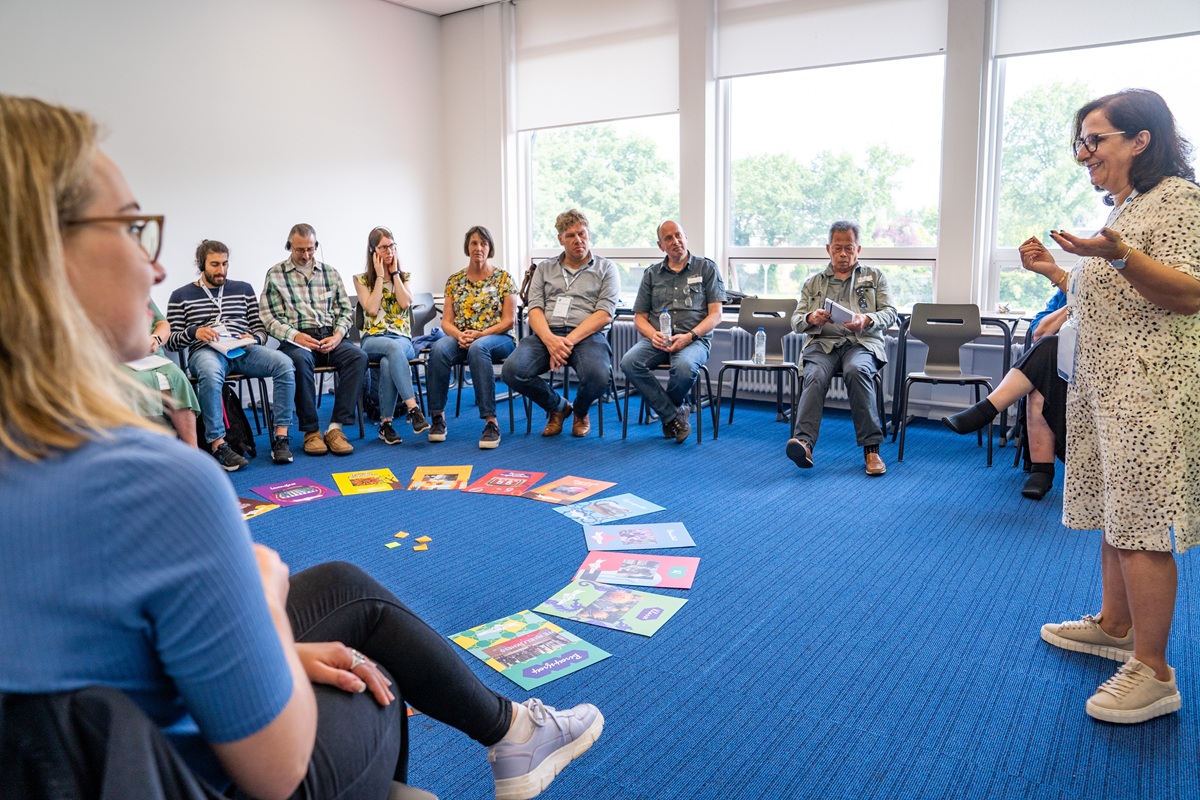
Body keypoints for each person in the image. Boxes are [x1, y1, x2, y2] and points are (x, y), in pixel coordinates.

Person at [0, 94, 603, 800]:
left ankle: (511, 736)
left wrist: (267, 647)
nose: (156, 269)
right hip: (183, 775)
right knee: (369, 674)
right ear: (43, 251)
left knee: (347, 587)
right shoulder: (157, 482)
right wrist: (260, 601)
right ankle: (442, 769)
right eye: (134, 229)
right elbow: (276, 766)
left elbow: (89, 665)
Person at [1018, 89, 1200, 724]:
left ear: (1140, 140)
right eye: (1081, 142)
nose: (1084, 154)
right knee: (1114, 513)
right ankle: (1117, 624)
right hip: (1103, 388)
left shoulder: (1178, 200)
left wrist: (1117, 252)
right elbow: (1110, 299)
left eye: (1095, 141)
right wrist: (1057, 275)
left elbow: (1190, 294)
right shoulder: (1131, 206)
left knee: (1142, 522)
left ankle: (1154, 670)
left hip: (1149, 392)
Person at [167, 239, 297, 471]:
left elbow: (260, 329)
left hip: (243, 349)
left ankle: (281, 436)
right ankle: (219, 444)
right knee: (209, 372)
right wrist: (195, 332)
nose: (222, 271)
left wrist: (253, 338)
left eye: (225, 264)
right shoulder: (181, 296)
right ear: (201, 264)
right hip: (207, 351)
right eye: (215, 265)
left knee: (284, 364)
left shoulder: (243, 289)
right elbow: (173, 341)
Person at [785, 221, 897, 476]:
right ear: (828, 249)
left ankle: (872, 450)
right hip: (823, 345)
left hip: (861, 343)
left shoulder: (875, 277)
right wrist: (811, 318)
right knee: (813, 376)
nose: (843, 254)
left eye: (849, 248)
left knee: (857, 371)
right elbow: (795, 320)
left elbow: (890, 313)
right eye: (838, 248)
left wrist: (866, 320)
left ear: (858, 249)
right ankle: (804, 444)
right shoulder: (812, 283)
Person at [501, 209, 620, 438]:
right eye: (571, 235)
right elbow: (534, 309)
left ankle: (580, 411)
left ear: (589, 234)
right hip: (548, 333)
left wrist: (564, 343)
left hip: (586, 336)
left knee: (599, 375)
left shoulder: (606, 268)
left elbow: (605, 314)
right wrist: (550, 340)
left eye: (582, 234)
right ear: (560, 239)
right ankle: (558, 407)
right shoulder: (545, 268)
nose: (578, 240)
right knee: (512, 370)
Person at [942, 289, 1068, 499]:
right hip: (1061, 370)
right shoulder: (1067, 292)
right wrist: (1074, 304)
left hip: (1096, 372)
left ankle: (985, 411)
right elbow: (1039, 333)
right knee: (1042, 369)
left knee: (1044, 364)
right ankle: (1041, 470)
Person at [260, 223, 368, 457]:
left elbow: (345, 310)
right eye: (300, 250)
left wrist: (338, 335)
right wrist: (295, 335)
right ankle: (311, 431)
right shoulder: (276, 274)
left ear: (316, 246)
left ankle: (335, 428)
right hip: (296, 337)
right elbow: (269, 317)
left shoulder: (330, 272)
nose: (306, 255)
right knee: (298, 361)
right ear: (289, 246)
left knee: (358, 356)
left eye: (310, 249)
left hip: (330, 335)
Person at [619, 220, 725, 443]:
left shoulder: (706, 268)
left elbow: (716, 314)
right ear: (661, 246)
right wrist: (651, 334)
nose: (675, 241)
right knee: (629, 362)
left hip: (694, 339)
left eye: (678, 235)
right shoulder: (652, 274)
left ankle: (669, 414)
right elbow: (640, 317)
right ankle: (674, 415)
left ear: (685, 237)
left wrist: (690, 336)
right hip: (658, 339)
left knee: (684, 367)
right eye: (669, 238)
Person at [424, 225, 517, 449]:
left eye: (483, 243)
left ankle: (491, 422)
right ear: (467, 247)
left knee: (479, 348)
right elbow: (446, 321)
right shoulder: (454, 280)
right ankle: (437, 417)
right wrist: (459, 335)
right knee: (438, 349)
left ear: (490, 247)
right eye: (474, 243)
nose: (478, 248)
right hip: (463, 337)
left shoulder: (503, 278)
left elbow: (509, 321)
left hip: (498, 337)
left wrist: (480, 335)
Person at [354, 226, 430, 445]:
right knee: (391, 350)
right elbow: (371, 309)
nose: (389, 251)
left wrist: (394, 274)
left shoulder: (405, 276)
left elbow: (405, 302)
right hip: (373, 340)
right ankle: (413, 408)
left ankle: (385, 424)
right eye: (383, 247)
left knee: (390, 360)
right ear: (373, 251)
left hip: (402, 340)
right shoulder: (361, 279)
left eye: (392, 246)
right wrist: (379, 277)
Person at [124, 299, 201, 447]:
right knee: (138, 381)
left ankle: (193, 450)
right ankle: (152, 448)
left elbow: (163, 324)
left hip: (153, 355)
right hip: (120, 358)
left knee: (178, 378)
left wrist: (155, 339)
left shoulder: (141, 291)